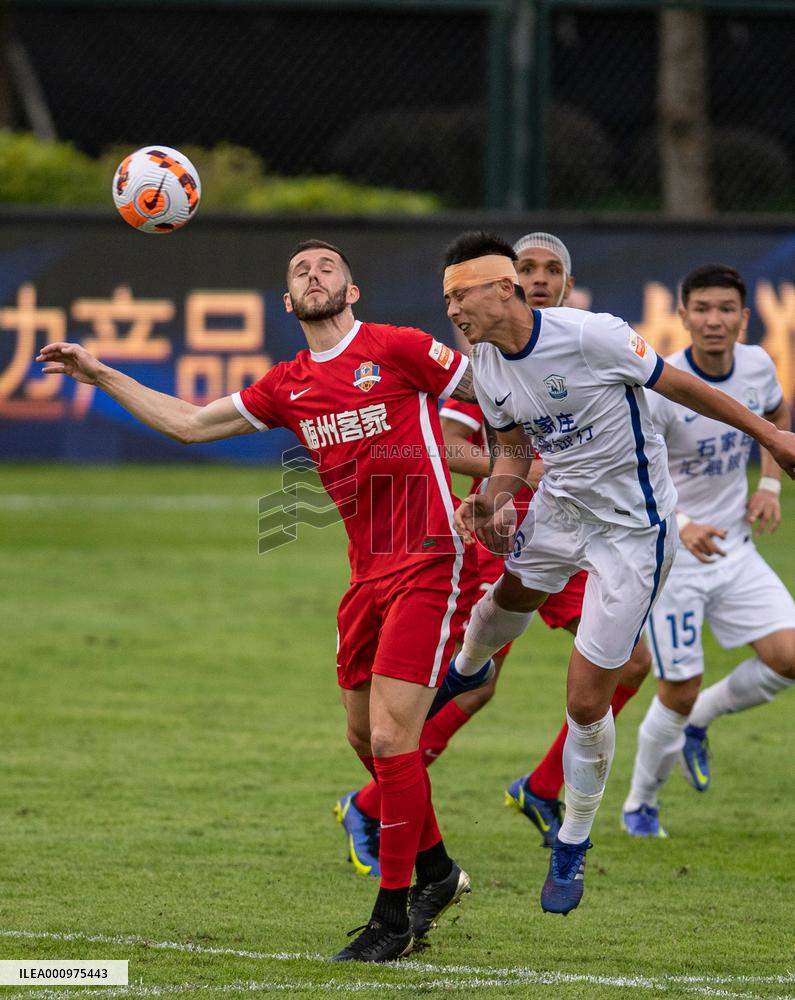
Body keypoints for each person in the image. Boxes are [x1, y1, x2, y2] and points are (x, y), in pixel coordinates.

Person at [37, 239, 480, 963]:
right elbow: (188, 424)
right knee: (367, 742)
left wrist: (502, 480)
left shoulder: (398, 348)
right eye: (300, 270)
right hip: (364, 575)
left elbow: (493, 394)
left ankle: (392, 918)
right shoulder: (288, 385)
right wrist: (98, 372)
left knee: (397, 739)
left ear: (353, 289)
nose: (313, 274)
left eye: (327, 266)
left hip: (428, 560)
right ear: (286, 301)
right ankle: (435, 871)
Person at [439, 232, 795, 915]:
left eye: (461, 295)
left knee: (584, 700)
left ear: (501, 290)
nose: (452, 307)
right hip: (561, 509)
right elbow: (511, 446)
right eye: (446, 296)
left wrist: (769, 440)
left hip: (634, 534)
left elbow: (682, 385)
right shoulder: (484, 361)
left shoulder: (592, 336)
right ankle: (466, 667)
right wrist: (494, 495)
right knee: (496, 606)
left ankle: (572, 839)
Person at [336, 234, 652, 876]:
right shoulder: (483, 360)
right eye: (527, 267)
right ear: (505, 280)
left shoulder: (575, 345)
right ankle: (371, 804)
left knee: (633, 664)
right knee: (467, 688)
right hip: (501, 541)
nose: (539, 278)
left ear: (567, 282)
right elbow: (452, 448)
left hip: (582, 528)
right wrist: (531, 476)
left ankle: (540, 788)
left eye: (552, 269)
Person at [621, 264, 795, 837]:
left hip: (736, 550)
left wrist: (768, 484)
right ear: (684, 316)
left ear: (745, 319)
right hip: (673, 560)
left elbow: (774, 416)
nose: (714, 320)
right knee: (677, 687)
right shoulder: (663, 388)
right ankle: (640, 805)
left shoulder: (756, 365)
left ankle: (702, 720)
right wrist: (685, 521)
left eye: (726, 309)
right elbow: (631, 473)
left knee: (790, 657)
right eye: (703, 309)